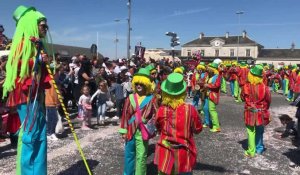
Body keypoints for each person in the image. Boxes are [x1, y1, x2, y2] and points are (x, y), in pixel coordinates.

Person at [2, 5, 51, 175]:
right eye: (43, 25)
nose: (46, 28)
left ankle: (38, 171)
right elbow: (17, 64)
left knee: (39, 134)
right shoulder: (22, 44)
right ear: (32, 25)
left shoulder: (38, 45)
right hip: (26, 95)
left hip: (36, 96)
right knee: (31, 135)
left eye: (46, 25)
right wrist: (36, 59)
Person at [155, 72, 203, 175]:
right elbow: (198, 129)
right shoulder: (190, 110)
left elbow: (158, 128)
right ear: (183, 92)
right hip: (184, 155)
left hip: (165, 153)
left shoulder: (161, 110)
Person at [119, 68, 157, 175]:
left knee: (141, 156)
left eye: (142, 83)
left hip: (143, 131)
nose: (139, 85)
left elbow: (156, 114)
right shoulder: (130, 98)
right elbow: (125, 115)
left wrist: (148, 121)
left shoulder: (151, 98)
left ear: (146, 84)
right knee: (129, 154)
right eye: (137, 83)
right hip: (130, 129)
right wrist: (123, 131)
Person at [241, 64, 271, 157]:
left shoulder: (246, 86)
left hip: (250, 112)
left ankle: (251, 151)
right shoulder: (265, 88)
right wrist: (264, 108)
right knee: (260, 130)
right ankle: (259, 148)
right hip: (261, 112)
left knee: (251, 131)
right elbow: (268, 100)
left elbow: (242, 98)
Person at [204, 63, 221, 132]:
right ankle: (207, 122)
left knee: (212, 110)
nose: (208, 70)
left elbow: (217, 85)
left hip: (213, 95)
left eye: (210, 69)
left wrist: (208, 85)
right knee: (205, 108)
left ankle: (216, 127)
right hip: (208, 95)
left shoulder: (217, 76)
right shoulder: (210, 76)